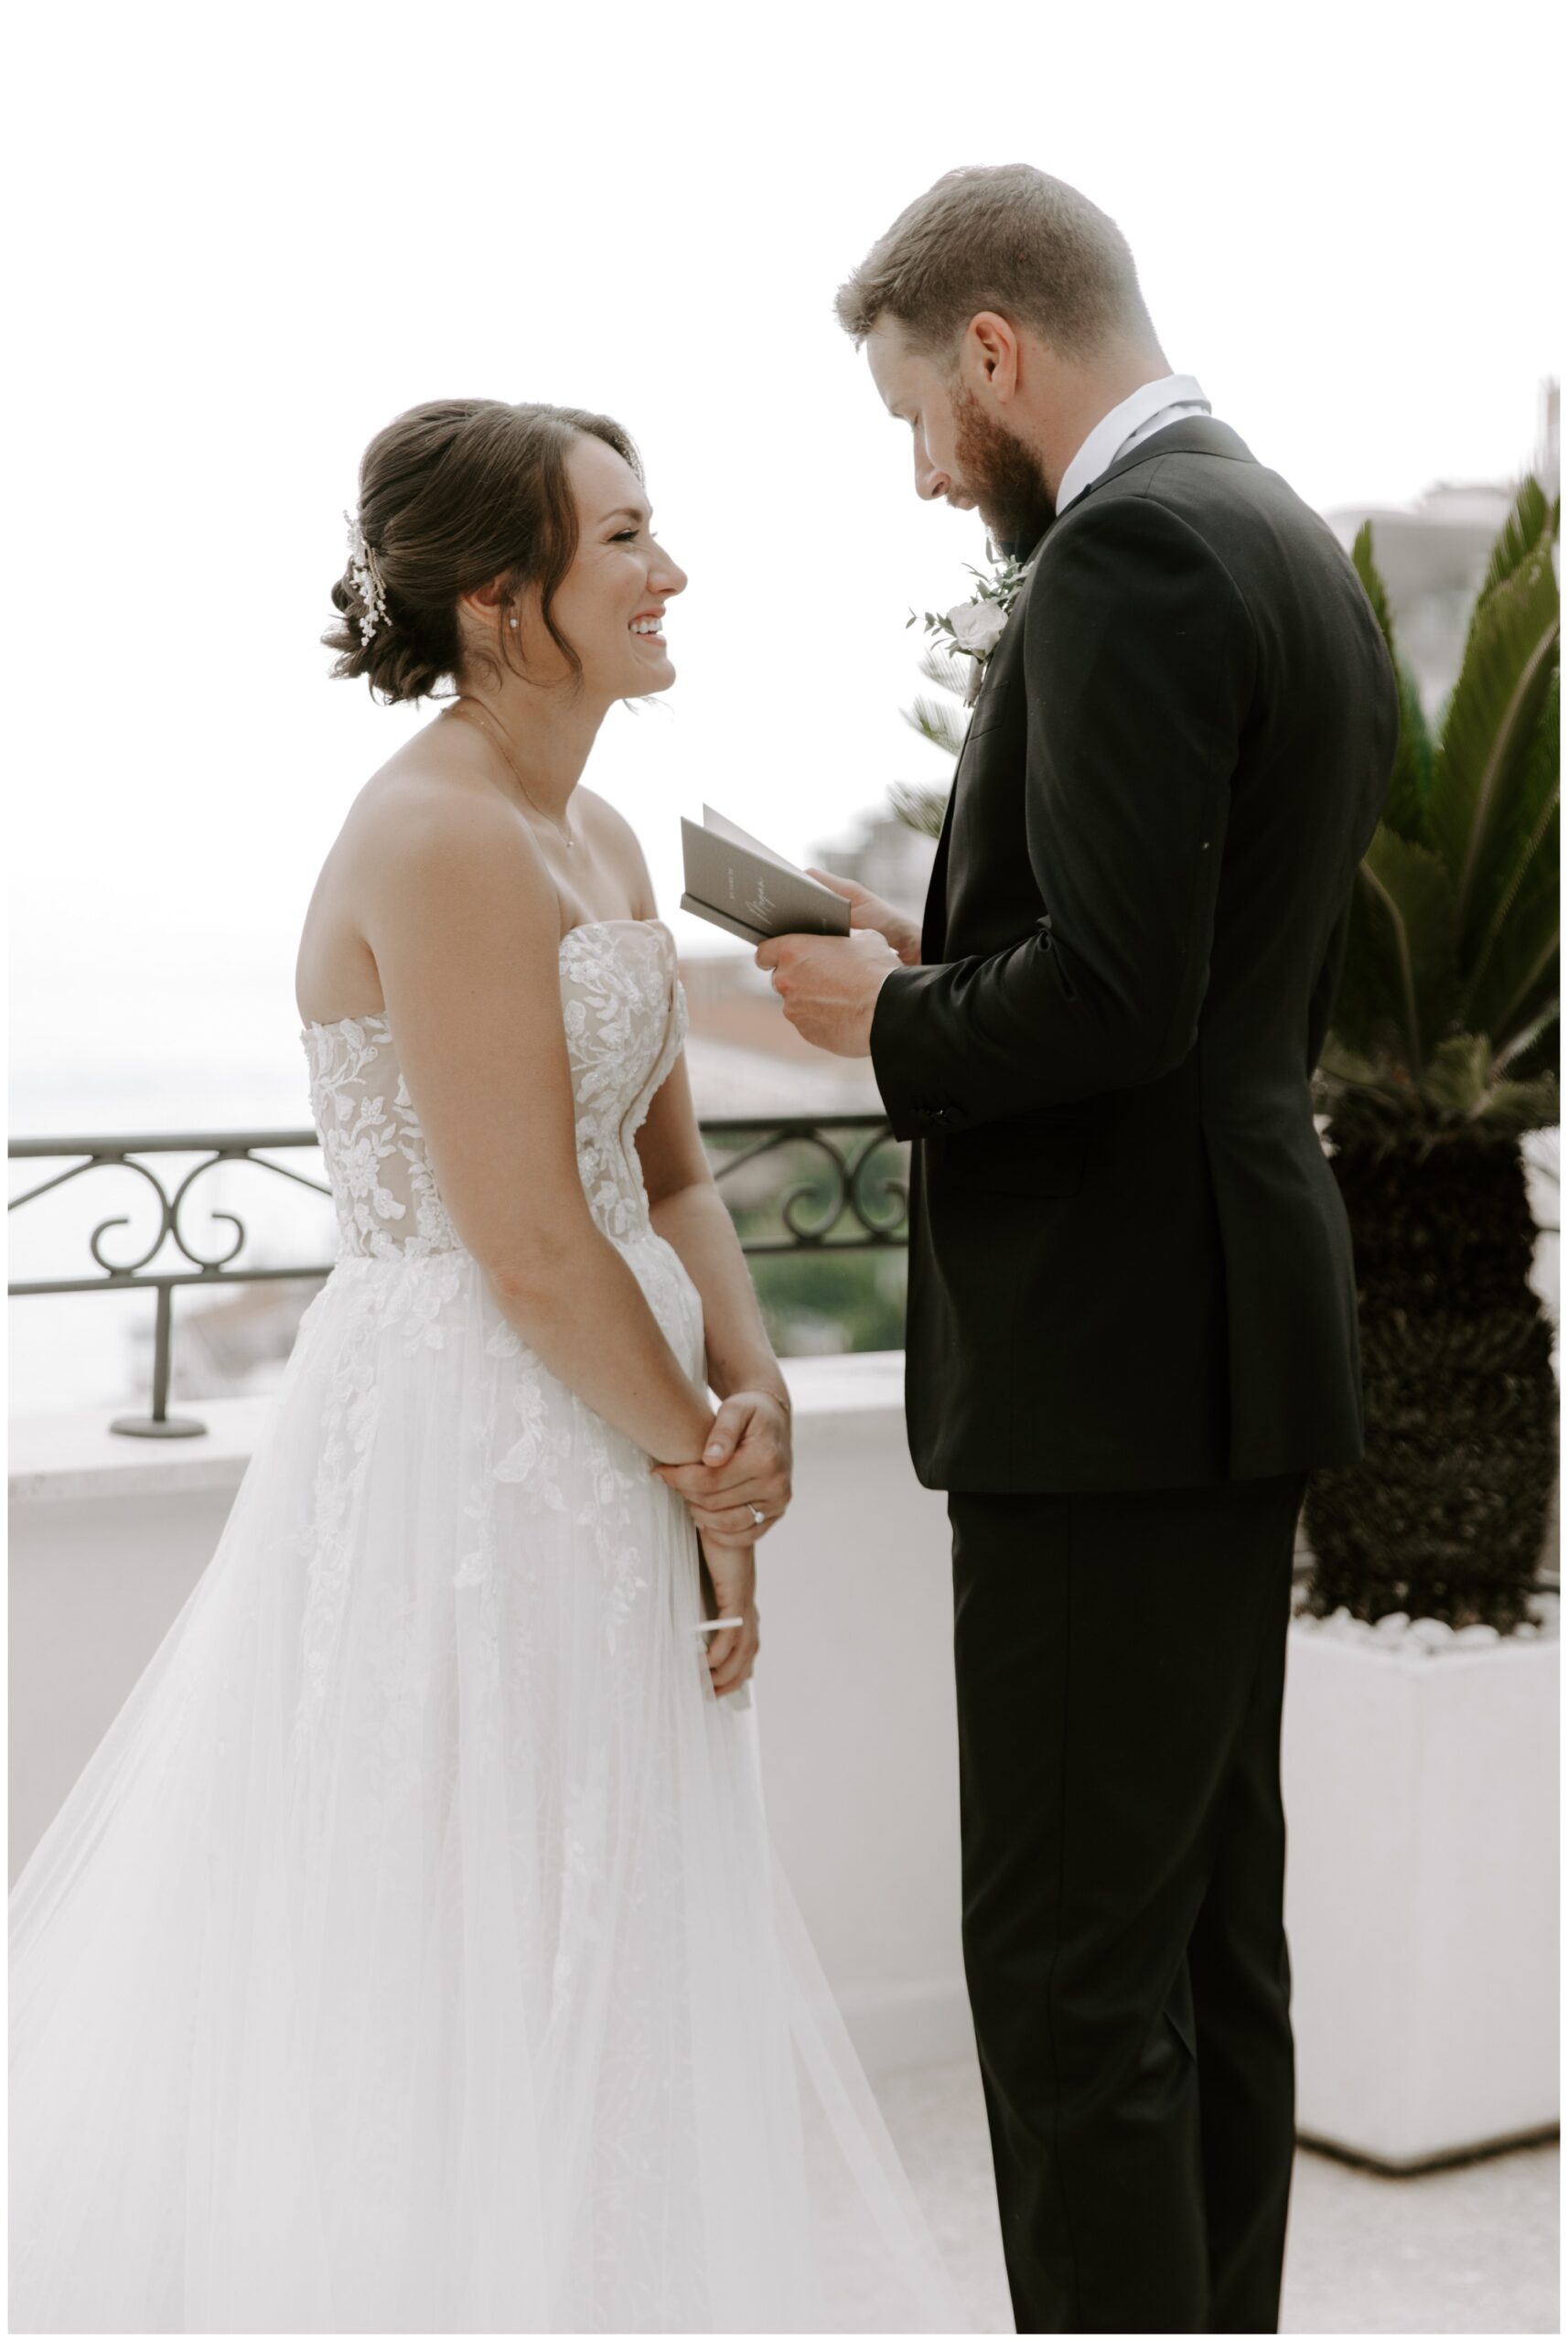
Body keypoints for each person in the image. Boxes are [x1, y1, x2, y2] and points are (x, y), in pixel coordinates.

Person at [8, 398, 964, 2334]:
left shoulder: (603, 824)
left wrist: (751, 1385)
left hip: (622, 1415)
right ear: (503, 603)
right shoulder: (436, 833)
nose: (667, 568)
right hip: (470, 1433)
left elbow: (671, 1169)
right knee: (463, 1906)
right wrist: (707, 1461)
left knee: (608, 1898)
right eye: (624, 538)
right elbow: (524, 1233)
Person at [760, 164, 1401, 2334]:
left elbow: (1118, 997)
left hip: (1103, 1363)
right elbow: (1191, 973)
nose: (927, 470)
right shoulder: (1281, 537)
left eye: (915, 415)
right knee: (1204, 1942)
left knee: (1062, 1980)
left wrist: (891, 1018)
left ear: (994, 354)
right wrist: (944, 945)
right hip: (1223, 1332)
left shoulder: (1123, 553)